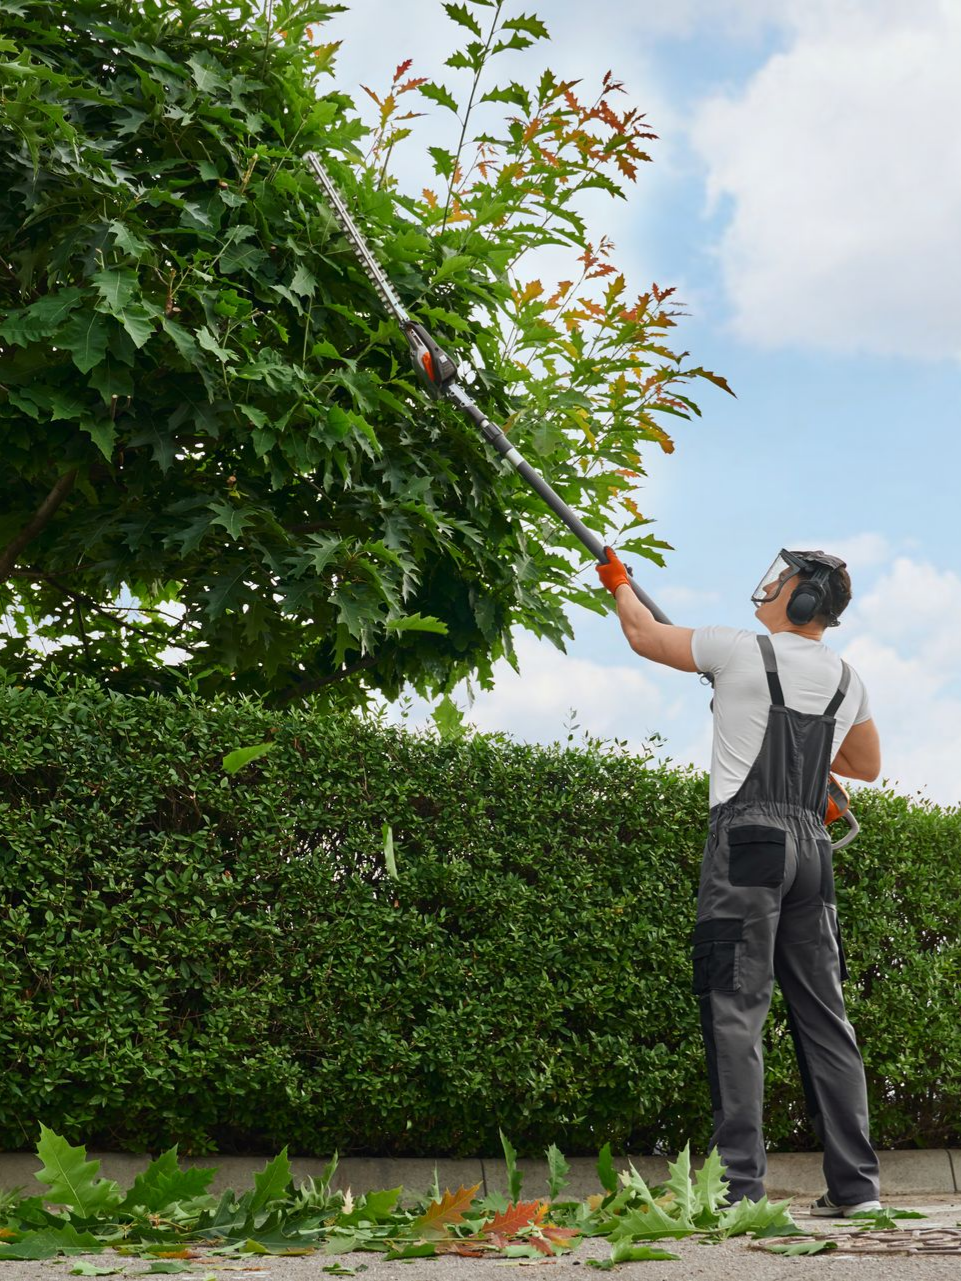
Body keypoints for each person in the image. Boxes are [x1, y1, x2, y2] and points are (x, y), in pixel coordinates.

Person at [596, 546, 882, 1215]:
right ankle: (855, 1190)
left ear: (803, 598)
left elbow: (643, 634)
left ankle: (739, 1190)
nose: (769, 585)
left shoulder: (736, 649)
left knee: (734, 1008)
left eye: (781, 580)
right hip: (812, 849)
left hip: (747, 842)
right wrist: (810, 738)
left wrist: (618, 580)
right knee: (824, 1017)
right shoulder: (847, 678)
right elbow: (864, 763)